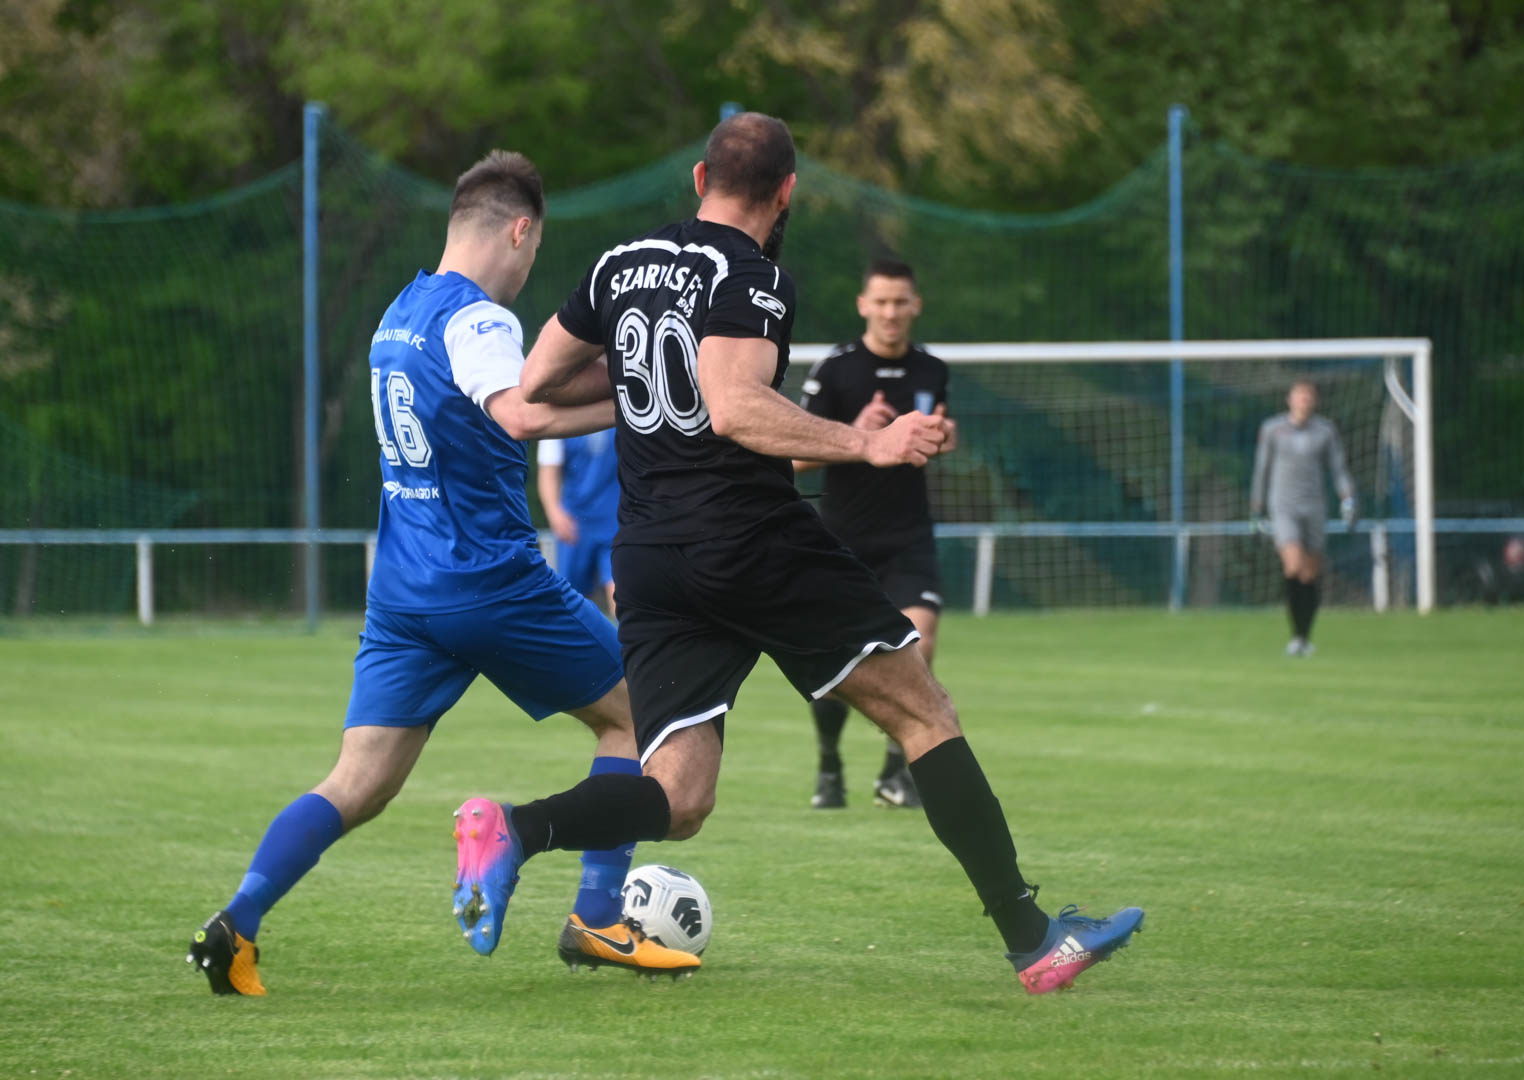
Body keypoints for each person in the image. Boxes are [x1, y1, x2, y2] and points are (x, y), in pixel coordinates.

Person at [459, 111, 1143, 996]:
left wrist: (638, 381)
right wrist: (870, 444)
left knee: (681, 797)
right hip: (751, 539)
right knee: (924, 713)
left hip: (653, 558)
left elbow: (535, 389)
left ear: (700, 180)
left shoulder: (618, 264)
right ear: (787, 193)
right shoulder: (751, 276)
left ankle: (514, 830)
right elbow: (736, 406)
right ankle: (1034, 939)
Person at [185, 150, 700, 996]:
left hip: (402, 593)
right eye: (536, 250)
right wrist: (654, 402)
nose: (529, 270)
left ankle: (236, 923)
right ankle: (597, 917)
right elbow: (520, 412)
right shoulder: (480, 319)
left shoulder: (399, 313)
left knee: (358, 782)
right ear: (520, 230)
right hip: (488, 580)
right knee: (643, 719)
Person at [794, 258, 953, 810]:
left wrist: (943, 438)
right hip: (843, 539)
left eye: (900, 302)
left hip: (908, 536)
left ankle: (895, 772)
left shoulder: (932, 370)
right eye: (881, 302)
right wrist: (855, 434)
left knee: (919, 644)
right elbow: (792, 456)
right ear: (863, 305)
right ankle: (829, 766)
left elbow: (935, 438)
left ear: (916, 306)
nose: (890, 312)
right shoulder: (836, 369)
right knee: (839, 662)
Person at [1250, 379, 1357, 656]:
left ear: (1314, 401)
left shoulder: (1325, 431)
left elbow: (1338, 468)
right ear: (1289, 400)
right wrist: (1256, 507)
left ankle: (1302, 636)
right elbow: (1262, 469)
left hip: (1314, 507)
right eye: (1299, 396)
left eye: (1308, 397)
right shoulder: (1273, 429)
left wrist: (1347, 499)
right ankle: (1296, 637)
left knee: (1309, 573)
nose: (1303, 401)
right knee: (1293, 565)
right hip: (1283, 506)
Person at [536, 429, 620, 617]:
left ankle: (624, 636)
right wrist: (554, 512)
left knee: (621, 592)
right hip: (574, 523)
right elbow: (549, 469)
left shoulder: (621, 415)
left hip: (616, 520)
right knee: (572, 599)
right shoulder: (558, 421)